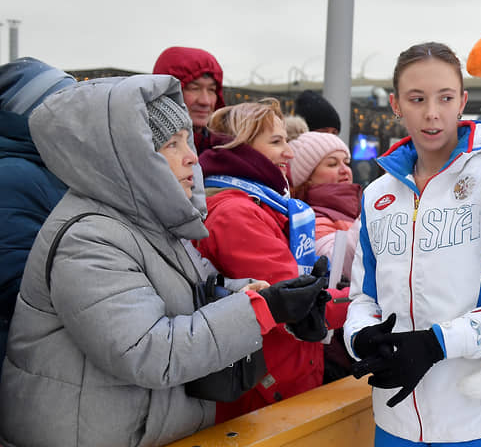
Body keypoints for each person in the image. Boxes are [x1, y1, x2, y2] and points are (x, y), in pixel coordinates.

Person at [0, 75, 328, 447]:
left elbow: (189, 293)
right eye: (172, 144)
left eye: (187, 139)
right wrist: (260, 310)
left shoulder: (147, 221)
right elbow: (148, 352)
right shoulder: (89, 237)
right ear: (128, 158)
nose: (191, 155)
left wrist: (261, 294)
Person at [343, 42, 481, 446]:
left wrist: (437, 344)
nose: (431, 113)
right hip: (396, 422)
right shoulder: (376, 195)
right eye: (416, 99)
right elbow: (363, 298)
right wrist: (362, 335)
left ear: (463, 101)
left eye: (444, 97)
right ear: (395, 104)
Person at [197, 100, 350, 420]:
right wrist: (370, 298)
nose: (289, 152)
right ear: (243, 149)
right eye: (277, 142)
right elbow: (295, 300)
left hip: (281, 377)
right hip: (263, 389)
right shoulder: (235, 213)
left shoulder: (264, 204)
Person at [0, 57, 74, 372]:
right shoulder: (14, 175)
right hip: (20, 357)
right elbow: (16, 286)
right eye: (63, 105)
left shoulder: (50, 165)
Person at [289, 131, 362, 382]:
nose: (344, 170)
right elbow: (335, 263)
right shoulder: (310, 217)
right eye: (332, 164)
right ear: (306, 178)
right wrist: (376, 217)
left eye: (346, 162)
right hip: (333, 352)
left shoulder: (350, 212)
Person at [153, 46, 225, 154]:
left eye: (211, 89)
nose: (205, 101)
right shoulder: (142, 147)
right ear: (166, 93)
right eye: (194, 88)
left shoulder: (229, 152)